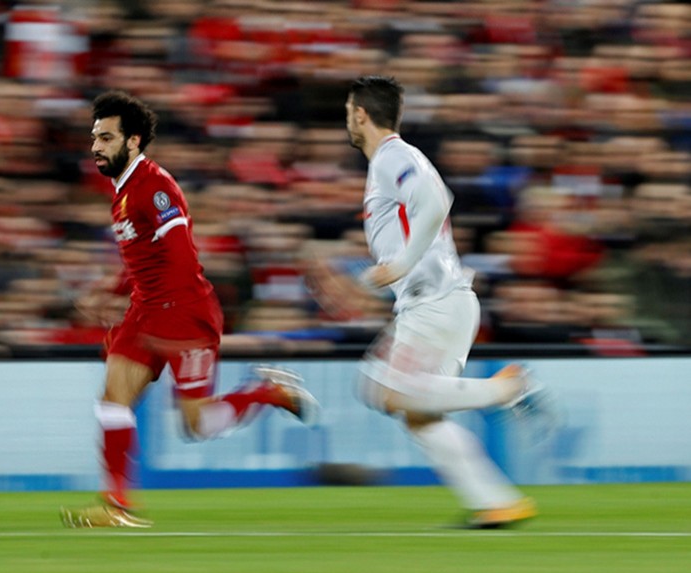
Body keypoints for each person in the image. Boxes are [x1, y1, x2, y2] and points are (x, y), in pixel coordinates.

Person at [61, 90, 319, 528]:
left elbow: (179, 253)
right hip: (147, 311)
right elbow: (143, 255)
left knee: (198, 425)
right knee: (111, 401)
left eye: (106, 138)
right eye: (94, 138)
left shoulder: (155, 186)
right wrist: (110, 290)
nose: (96, 147)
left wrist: (171, 317)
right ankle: (116, 505)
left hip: (185, 314)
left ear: (134, 141)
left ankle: (265, 390)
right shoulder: (122, 192)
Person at [343, 75, 552, 528]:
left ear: (360, 113)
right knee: (420, 415)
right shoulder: (392, 159)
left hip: (433, 300)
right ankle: (495, 503)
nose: (348, 120)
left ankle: (510, 388)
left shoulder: (392, 155)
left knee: (385, 391)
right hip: (444, 302)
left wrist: (401, 264)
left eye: (348, 111)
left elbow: (437, 200)